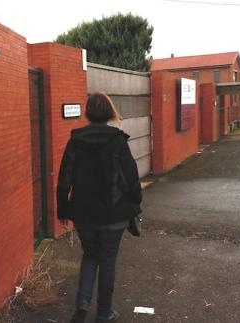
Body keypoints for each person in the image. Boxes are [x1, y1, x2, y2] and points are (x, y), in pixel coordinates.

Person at [57, 92, 142, 323]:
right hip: (114, 214)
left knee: (89, 256)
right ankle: (104, 313)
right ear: (109, 112)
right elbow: (131, 178)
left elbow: (64, 178)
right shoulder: (118, 140)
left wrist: (62, 209)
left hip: (83, 214)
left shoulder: (75, 141)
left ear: (87, 113)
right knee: (107, 261)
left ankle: (82, 303)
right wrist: (136, 203)